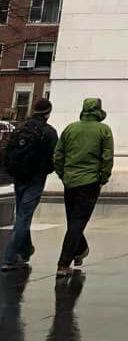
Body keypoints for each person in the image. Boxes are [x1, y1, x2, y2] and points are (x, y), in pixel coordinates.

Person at [53, 97, 114, 277]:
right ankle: (63, 263)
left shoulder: (70, 128)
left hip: (70, 181)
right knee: (77, 223)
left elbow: (58, 155)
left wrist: (63, 174)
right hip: (89, 182)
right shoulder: (104, 130)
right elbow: (108, 156)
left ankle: (80, 250)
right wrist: (103, 177)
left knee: (73, 221)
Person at [2, 97, 57, 272]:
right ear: (48, 112)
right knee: (23, 217)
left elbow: (8, 151)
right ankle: (9, 257)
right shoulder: (49, 132)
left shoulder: (21, 128)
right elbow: (55, 156)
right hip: (36, 178)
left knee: (22, 214)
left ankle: (25, 250)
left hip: (19, 177)